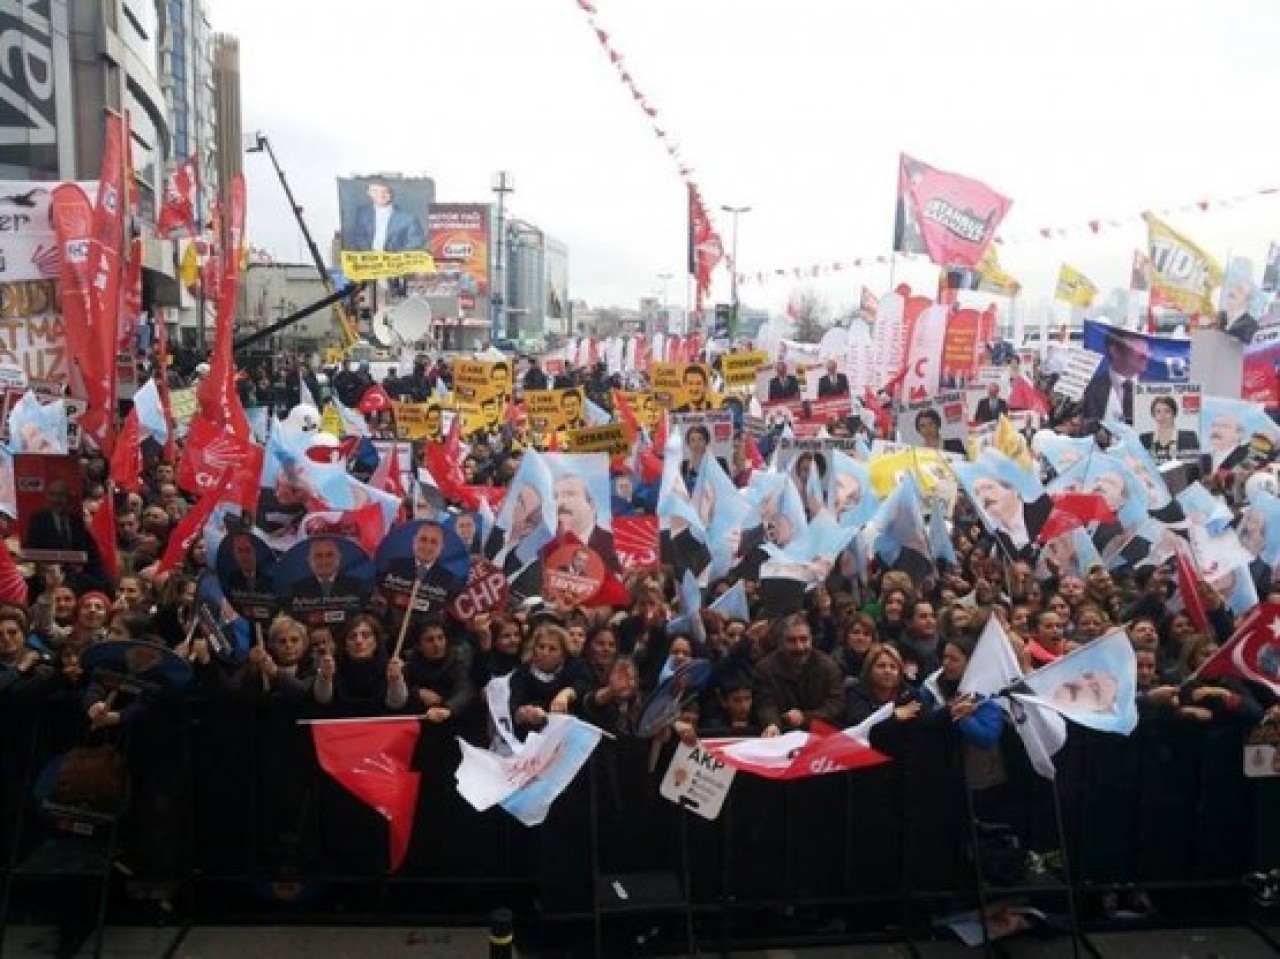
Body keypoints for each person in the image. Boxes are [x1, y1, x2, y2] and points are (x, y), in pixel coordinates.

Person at [751, 614, 846, 737]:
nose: (799, 647)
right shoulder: (764, 669)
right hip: (782, 734)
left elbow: (836, 704)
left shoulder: (828, 667)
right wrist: (772, 724)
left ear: (811, 639)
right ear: (781, 642)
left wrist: (805, 717)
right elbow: (765, 704)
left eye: (803, 639)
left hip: (820, 735)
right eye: (792, 640)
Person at [970, 473, 1052, 559]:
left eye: (988, 487)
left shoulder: (1044, 507)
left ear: (1013, 489)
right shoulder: (999, 546)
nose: (983, 496)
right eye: (977, 493)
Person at [383, 521, 465, 606]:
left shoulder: (448, 579)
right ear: (414, 541)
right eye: (423, 539)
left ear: (441, 547)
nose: (427, 546)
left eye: (434, 542)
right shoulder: (394, 566)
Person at [1080, 329, 1150, 424]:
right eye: (1136, 344)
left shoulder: (1159, 389)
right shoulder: (1088, 389)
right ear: (1115, 351)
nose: (1145, 354)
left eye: (1145, 344)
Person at [553, 471, 619, 572]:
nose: (560, 502)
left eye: (570, 494)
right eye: (556, 496)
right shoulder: (547, 544)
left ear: (592, 505)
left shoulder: (613, 544)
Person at [348, 179, 427, 253]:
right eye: (375, 191)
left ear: (391, 193)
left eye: (385, 191)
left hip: (395, 262)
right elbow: (358, 237)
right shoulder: (362, 212)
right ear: (368, 193)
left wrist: (393, 257)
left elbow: (416, 242)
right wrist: (369, 254)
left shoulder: (409, 219)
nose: (380, 195)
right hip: (369, 260)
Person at [288, 538, 365, 603]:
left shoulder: (357, 586)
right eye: (318, 556)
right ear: (309, 560)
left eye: (329, 555)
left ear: (339, 557)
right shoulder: (296, 589)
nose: (324, 561)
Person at [1139, 395, 1199, 462]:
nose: (1162, 416)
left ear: (1174, 414)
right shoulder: (1144, 439)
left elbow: (1193, 466)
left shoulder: (1189, 438)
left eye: (1167, 411)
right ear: (1154, 415)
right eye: (1158, 412)